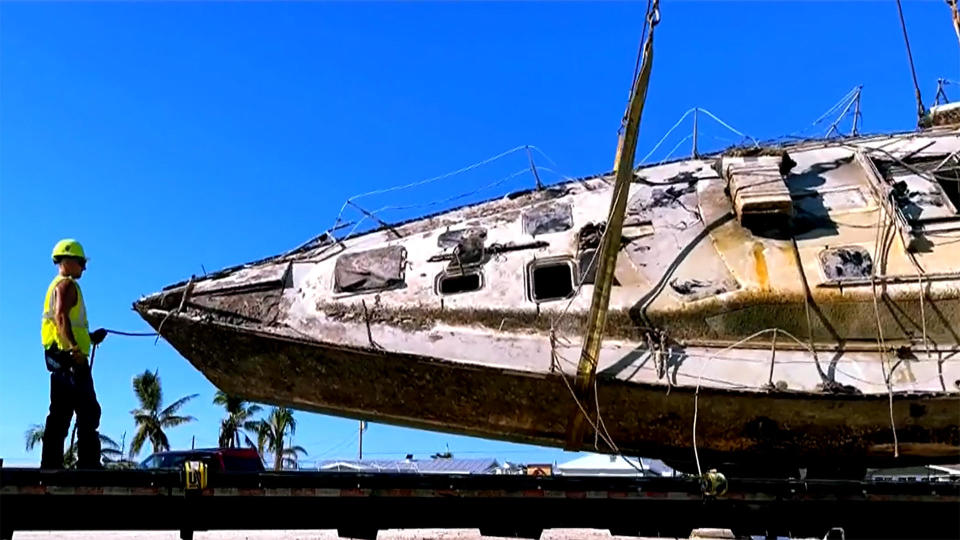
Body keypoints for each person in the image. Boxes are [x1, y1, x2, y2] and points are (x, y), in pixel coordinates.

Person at [40, 239, 108, 469]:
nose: (84, 267)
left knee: (59, 414)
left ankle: (50, 465)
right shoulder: (67, 285)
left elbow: (65, 324)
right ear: (67, 261)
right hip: (71, 359)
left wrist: (89, 337)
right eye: (81, 262)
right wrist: (75, 349)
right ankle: (89, 464)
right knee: (88, 411)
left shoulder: (55, 285)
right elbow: (61, 318)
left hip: (57, 358)